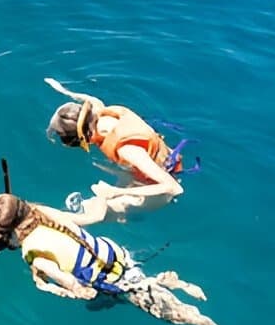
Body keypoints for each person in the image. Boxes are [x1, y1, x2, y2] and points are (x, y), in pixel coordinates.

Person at [0, 191, 254, 325]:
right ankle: (166, 282)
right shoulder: (46, 213)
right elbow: (84, 222)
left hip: (125, 286)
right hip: (119, 255)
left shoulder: (34, 255)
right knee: (105, 299)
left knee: (188, 318)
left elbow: (79, 290)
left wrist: (51, 287)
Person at [45, 77, 196, 219]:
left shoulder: (127, 149)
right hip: (144, 166)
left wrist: (117, 192)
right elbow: (92, 100)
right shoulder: (100, 114)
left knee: (110, 208)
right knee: (107, 187)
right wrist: (64, 91)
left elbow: (173, 187)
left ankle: (90, 216)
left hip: (163, 183)